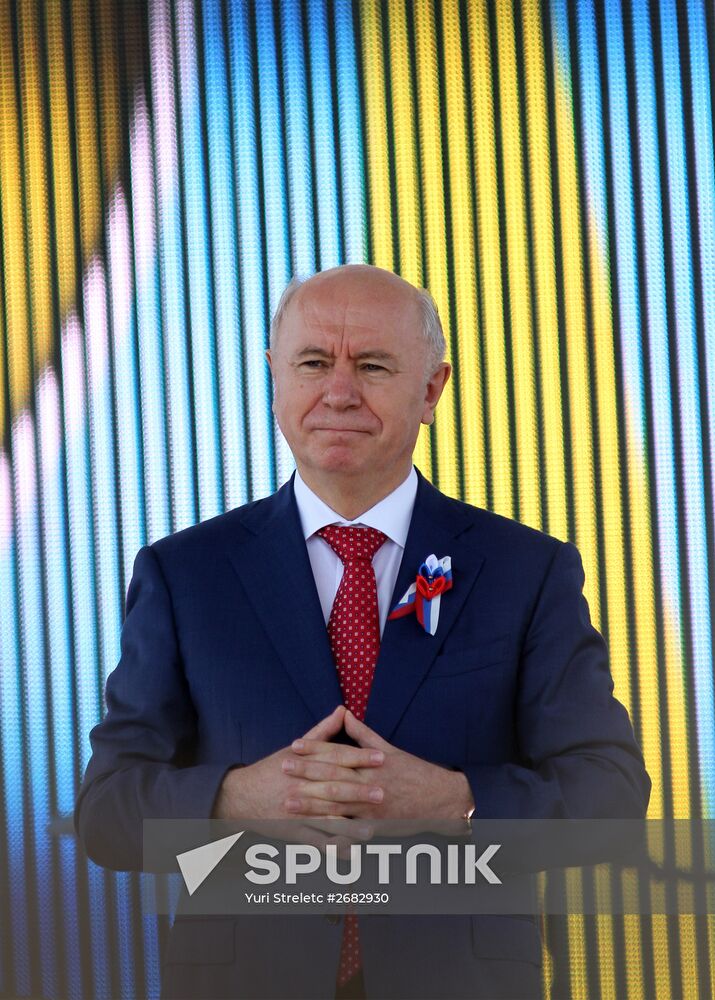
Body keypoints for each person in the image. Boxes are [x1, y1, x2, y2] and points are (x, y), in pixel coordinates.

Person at [75, 265, 650, 1000]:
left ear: (431, 390)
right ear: (275, 380)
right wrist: (237, 800)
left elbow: (610, 797)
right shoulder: (183, 575)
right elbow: (107, 813)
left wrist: (456, 803)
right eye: (313, 363)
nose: (338, 392)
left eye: (372, 366)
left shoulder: (524, 571)